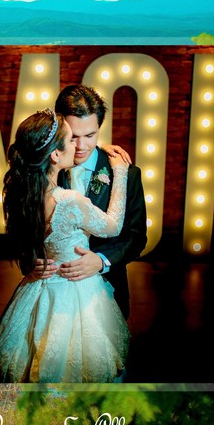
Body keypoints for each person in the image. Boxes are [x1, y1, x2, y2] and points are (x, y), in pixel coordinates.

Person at [0, 109, 130, 383]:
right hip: (76, 291)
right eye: (70, 140)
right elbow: (114, 226)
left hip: (39, 289)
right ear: (55, 154)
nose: (78, 146)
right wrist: (121, 172)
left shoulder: (23, 192)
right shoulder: (68, 201)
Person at [33, 84, 148, 320]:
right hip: (52, 296)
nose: (82, 146)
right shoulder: (44, 170)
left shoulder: (126, 173)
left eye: (90, 136)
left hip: (107, 293)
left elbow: (136, 237)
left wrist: (102, 261)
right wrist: (31, 260)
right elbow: (26, 225)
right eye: (73, 137)